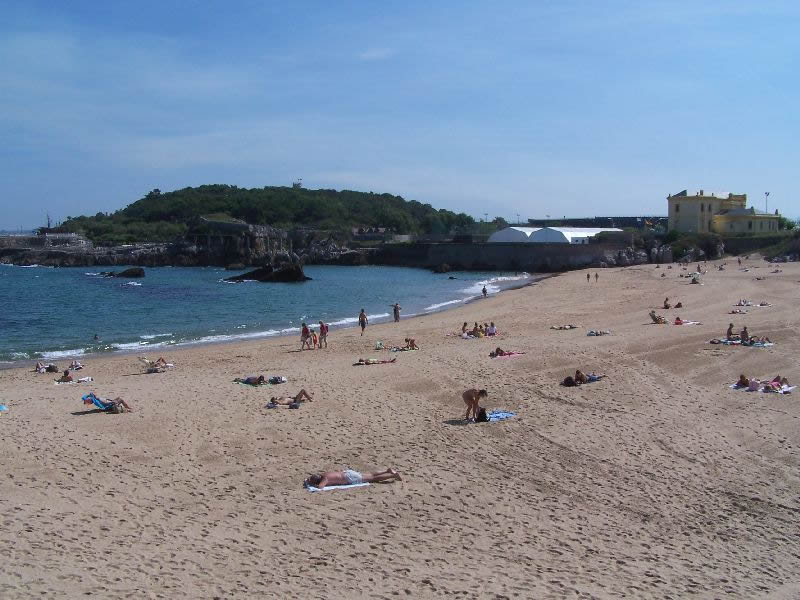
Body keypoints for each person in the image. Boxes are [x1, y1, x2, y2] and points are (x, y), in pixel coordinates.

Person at [305, 468, 401, 489]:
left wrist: (313, 484)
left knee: (372, 479)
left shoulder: (325, 479)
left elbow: (320, 487)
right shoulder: (324, 473)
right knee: (370, 474)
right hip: (348, 472)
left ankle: (392, 475)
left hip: (349, 477)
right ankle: (387, 470)